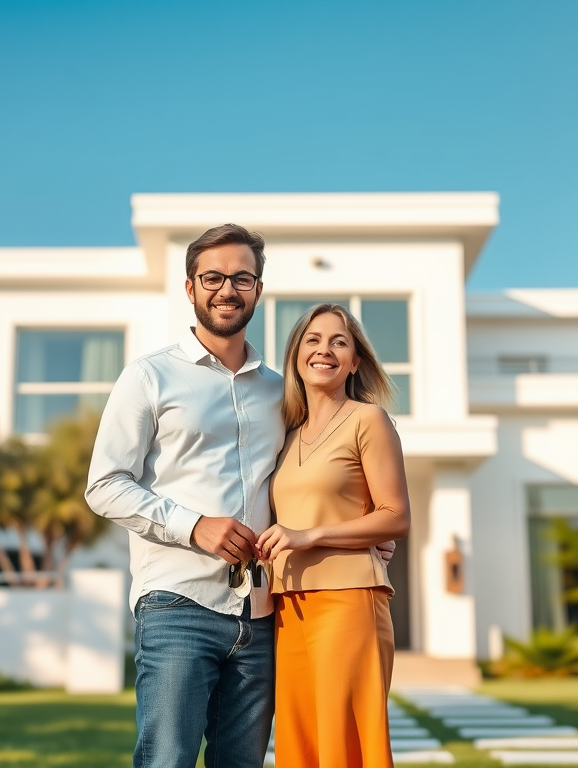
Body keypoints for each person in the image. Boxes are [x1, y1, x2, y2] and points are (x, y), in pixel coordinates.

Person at [85, 223, 283, 768]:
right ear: (191, 288)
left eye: (241, 278)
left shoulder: (281, 390)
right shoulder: (148, 377)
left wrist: (364, 531)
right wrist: (194, 525)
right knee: (166, 760)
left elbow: (312, 470)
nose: (227, 289)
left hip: (263, 612)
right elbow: (104, 485)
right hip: (177, 605)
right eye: (213, 277)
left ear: (259, 290)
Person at [257, 303, 411, 768]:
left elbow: (395, 516)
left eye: (338, 342)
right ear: (296, 355)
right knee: (298, 746)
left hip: (349, 599)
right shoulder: (285, 433)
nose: (324, 350)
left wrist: (311, 535)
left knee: (343, 745)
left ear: (354, 361)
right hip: (288, 607)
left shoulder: (369, 420)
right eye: (313, 340)